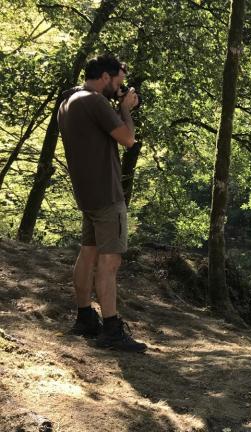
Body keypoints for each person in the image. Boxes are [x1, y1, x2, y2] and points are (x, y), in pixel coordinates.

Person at [59, 53, 146, 352]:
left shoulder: (69, 103)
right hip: (107, 195)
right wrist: (125, 109)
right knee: (110, 262)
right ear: (105, 77)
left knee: (88, 253)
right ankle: (111, 328)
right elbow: (128, 139)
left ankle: (85, 316)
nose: (118, 87)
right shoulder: (95, 101)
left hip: (87, 193)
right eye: (117, 81)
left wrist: (117, 102)